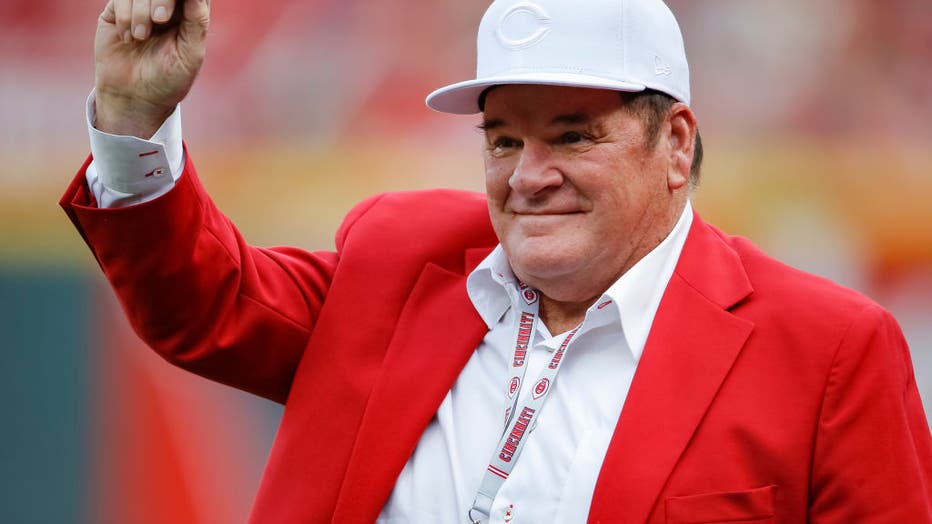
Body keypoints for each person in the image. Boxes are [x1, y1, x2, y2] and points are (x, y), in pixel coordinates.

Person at [61, 0, 932, 522]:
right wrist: (135, 119)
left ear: (675, 143)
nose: (528, 175)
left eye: (572, 135)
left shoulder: (827, 351)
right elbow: (206, 305)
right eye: (504, 137)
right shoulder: (402, 260)